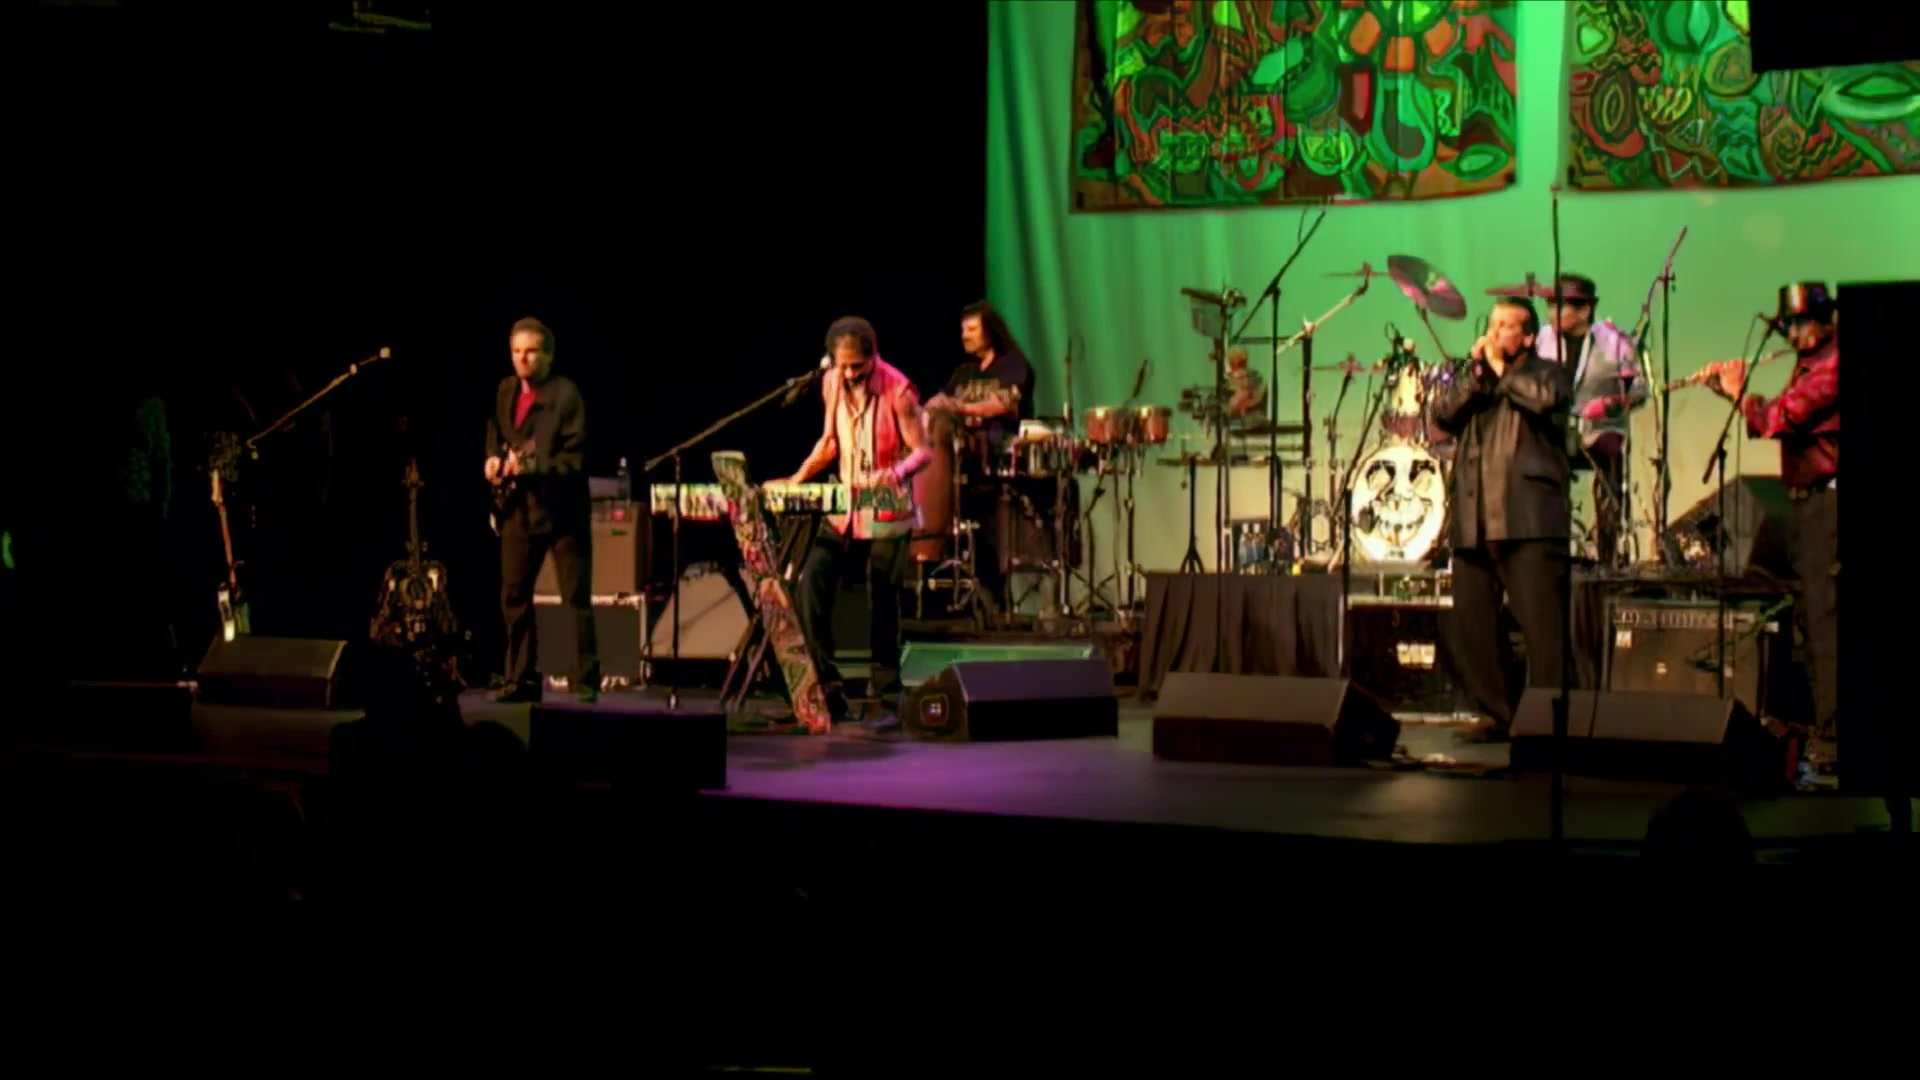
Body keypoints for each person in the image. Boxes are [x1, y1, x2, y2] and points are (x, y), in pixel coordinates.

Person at [1431, 297, 1575, 743]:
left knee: (1543, 629)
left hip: (1526, 516)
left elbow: (1545, 400)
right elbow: (1443, 415)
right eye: (1492, 325)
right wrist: (1478, 374)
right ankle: (1499, 714)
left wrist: (1499, 369)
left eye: (1506, 326)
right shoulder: (1478, 380)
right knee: (1473, 624)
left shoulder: (1549, 373)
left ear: (1528, 337)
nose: (1495, 333)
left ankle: (1548, 723)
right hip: (1474, 517)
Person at [1710, 283, 1838, 751]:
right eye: (1789, 327)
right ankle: (1813, 723)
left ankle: (1833, 732)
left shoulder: (1833, 365)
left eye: (1800, 325)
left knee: (1825, 620)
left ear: (1822, 321)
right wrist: (1734, 397)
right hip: (1805, 502)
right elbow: (1770, 417)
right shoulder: (1810, 362)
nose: (1793, 335)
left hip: (1828, 503)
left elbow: (1785, 417)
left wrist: (1740, 392)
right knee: (1801, 612)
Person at [789, 316, 931, 720]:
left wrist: (893, 474)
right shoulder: (831, 382)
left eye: (857, 367)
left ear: (873, 357)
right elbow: (829, 442)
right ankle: (827, 687)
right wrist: (796, 479)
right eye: (843, 366)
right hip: (844, 507)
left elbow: (924, 452)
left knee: (882, 594)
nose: (850, 374)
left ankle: (886, 694)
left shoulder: (898, 390)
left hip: (887, 508)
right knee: (810, 581)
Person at [486, 316, 599, 704]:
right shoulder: (505, 391)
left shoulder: (566, 396)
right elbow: (495, 432)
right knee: (514, 595)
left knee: (574, 598)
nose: (523, 359)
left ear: (548, 356)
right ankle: (520, 679)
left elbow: (576, 460)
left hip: (562, 511)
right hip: (519, 510)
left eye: (531, 351)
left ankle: (584, 680)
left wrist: (531, 466)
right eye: (516, 351)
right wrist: (492, 459)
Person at [1535, 273, 1646, 566]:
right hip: (1556, 432)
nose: (1551, 313)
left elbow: (1640, 391)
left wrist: (1610, 404)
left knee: (1610, 466)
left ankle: (1608, 554)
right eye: (1549, 306)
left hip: (1599, 431)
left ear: (1584, 310)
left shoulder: (1615, 341)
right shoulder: (1542, 338)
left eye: (1558, 306)